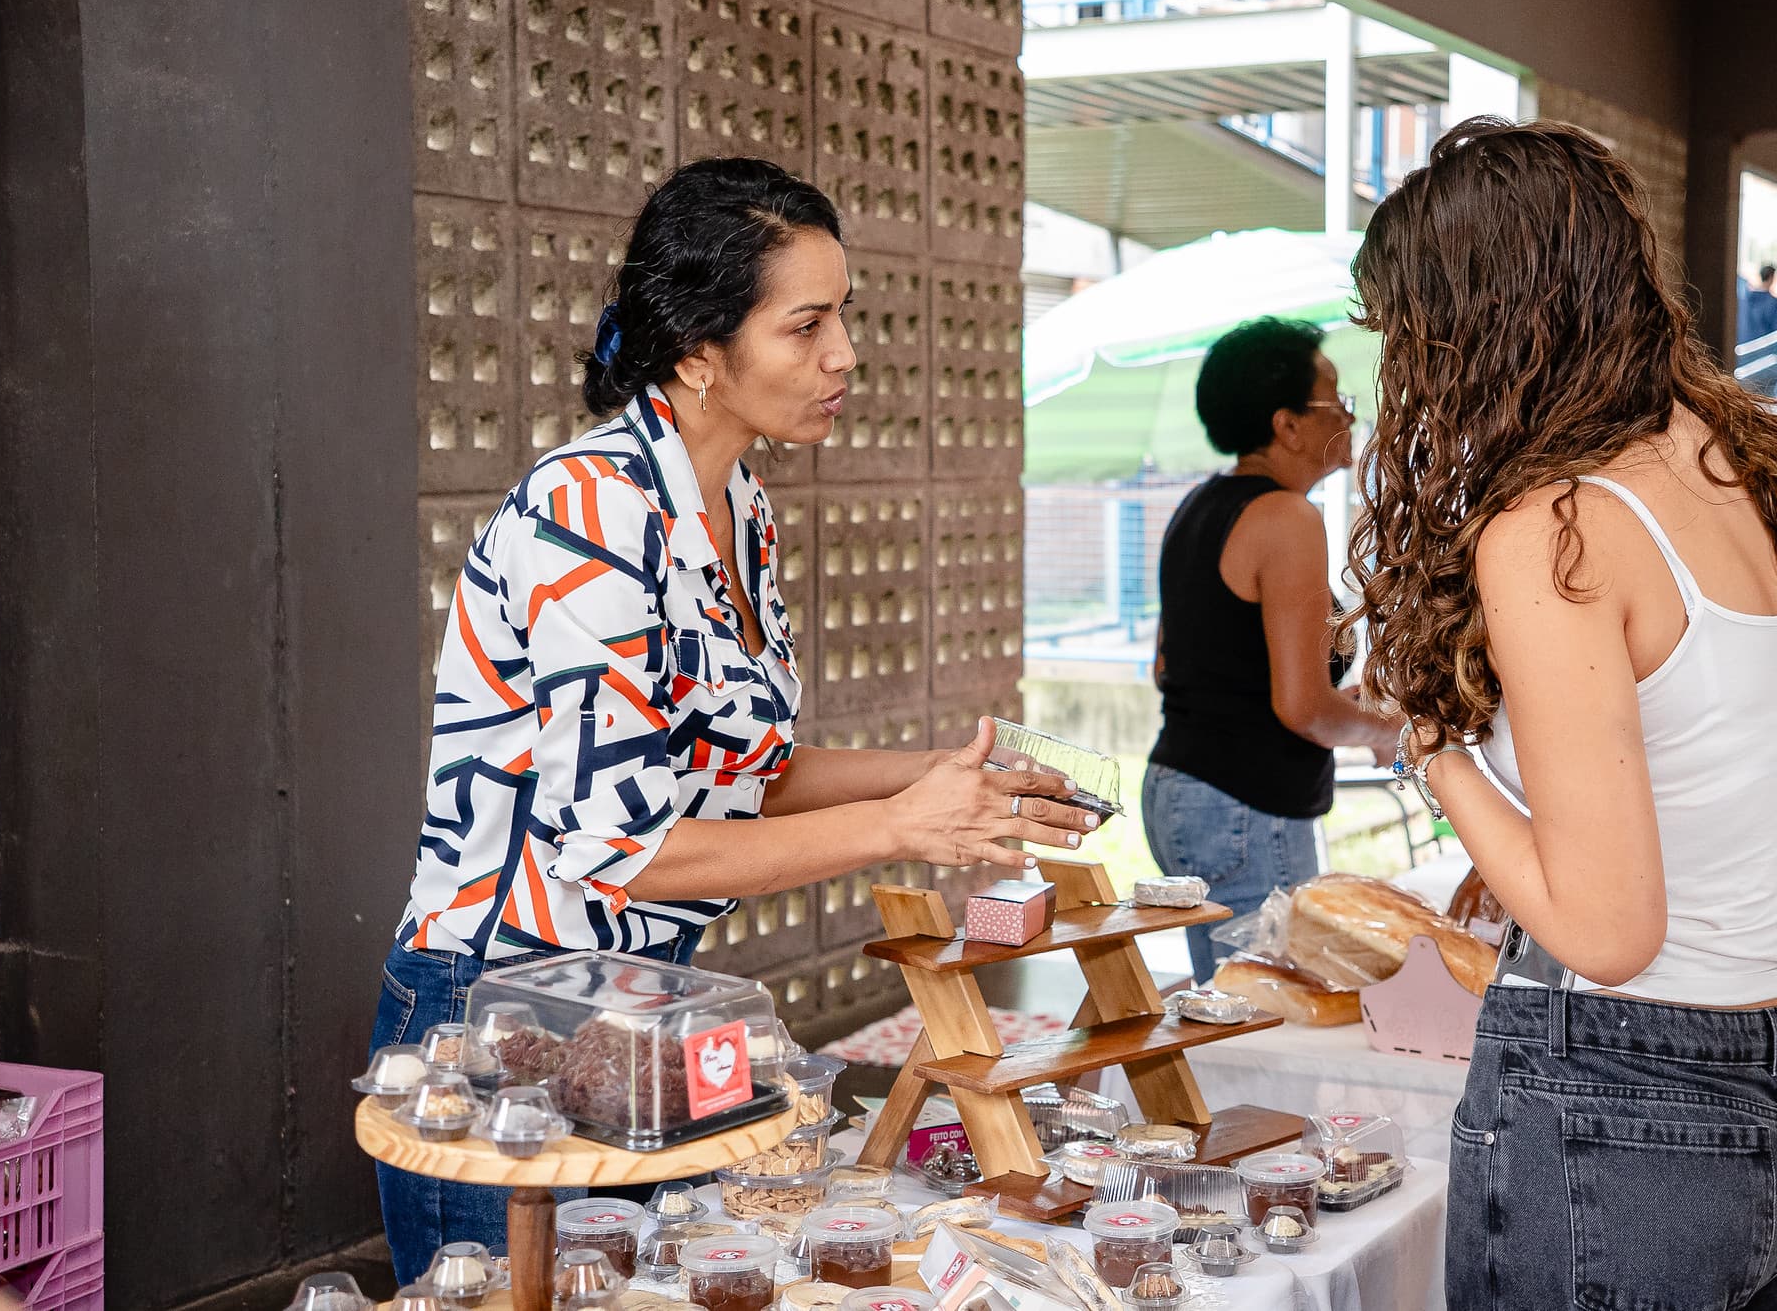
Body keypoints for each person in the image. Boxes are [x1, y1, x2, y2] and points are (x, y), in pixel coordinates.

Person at [371, 159, 1095, 1280]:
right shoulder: (590, 510)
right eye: (804, 325)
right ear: (699, 350)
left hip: (649, 1000)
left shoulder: (734, 503)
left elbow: (740, 772)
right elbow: (625, 850)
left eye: (840, 317)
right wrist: (907, 825)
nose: (843, 353)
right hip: (505, 1009)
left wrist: (952, 772)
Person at [1343, 118, 1777, 1308]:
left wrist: (1439, 758)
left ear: (1476, 327)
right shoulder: (1745, 473)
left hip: (1627, 1105)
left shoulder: (1555, 526)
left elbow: (1609, 929)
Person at [1143, 317, 1398, 985]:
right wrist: (1385, 733)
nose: (1348, 413)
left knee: (1228, 1004)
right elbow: (1300, 707)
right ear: (1287, 425)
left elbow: (1173, 666)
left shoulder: (1199, 505)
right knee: (1268, 1016)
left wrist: (1334, 707)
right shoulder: (1288, 517)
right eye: (1333, 398)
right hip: (1242, 807)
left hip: (1183, 789)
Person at [1740, 264, 1777, 399]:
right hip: (1765, 361)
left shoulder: (1745, 300)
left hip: (1742, 359)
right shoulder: (1773, 303)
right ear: (1771, 278)